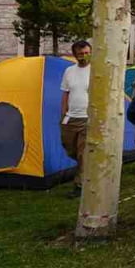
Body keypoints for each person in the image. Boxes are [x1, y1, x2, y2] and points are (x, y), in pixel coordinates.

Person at [59, 40, 92, 197]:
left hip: (87, 118)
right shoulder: (69, 71)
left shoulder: (95, 71)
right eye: (80, 53)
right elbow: (65, 93)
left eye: (86, 53)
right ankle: (86, 173)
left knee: (82, 154)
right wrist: (64, 112)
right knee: (70, 149)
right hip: (71, 118)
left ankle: (80, 185)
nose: (84, 56)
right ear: (75, 55)